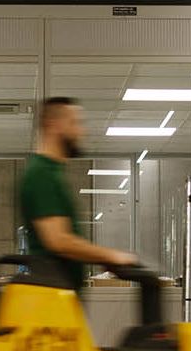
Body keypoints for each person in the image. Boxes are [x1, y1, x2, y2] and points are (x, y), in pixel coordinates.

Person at [19, 96, 136, 291]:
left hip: (62, 297)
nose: (82, 131)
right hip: (52, 302)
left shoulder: (52, 172)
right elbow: (59, 241)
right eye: (74, 123)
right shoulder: (41, 173)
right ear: (53, 125)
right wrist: (111, 256)